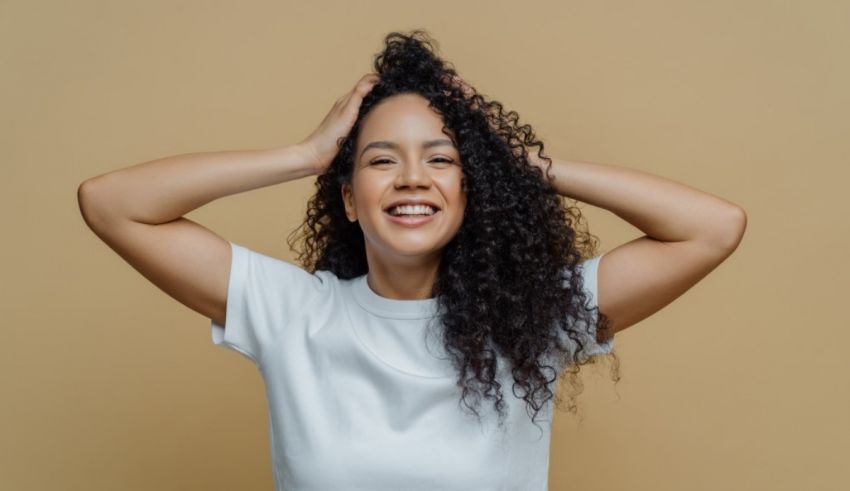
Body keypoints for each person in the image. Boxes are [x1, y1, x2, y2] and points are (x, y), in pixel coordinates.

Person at [77, 30, 746, 491]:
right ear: (348, 198)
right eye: (380, 159)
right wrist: (304, 155)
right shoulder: (292, 312)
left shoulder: (530, 320)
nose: (411, 177)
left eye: (442, 158)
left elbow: (711, 228)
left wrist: (518, 160)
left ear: (469, 188)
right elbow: (111, 203)